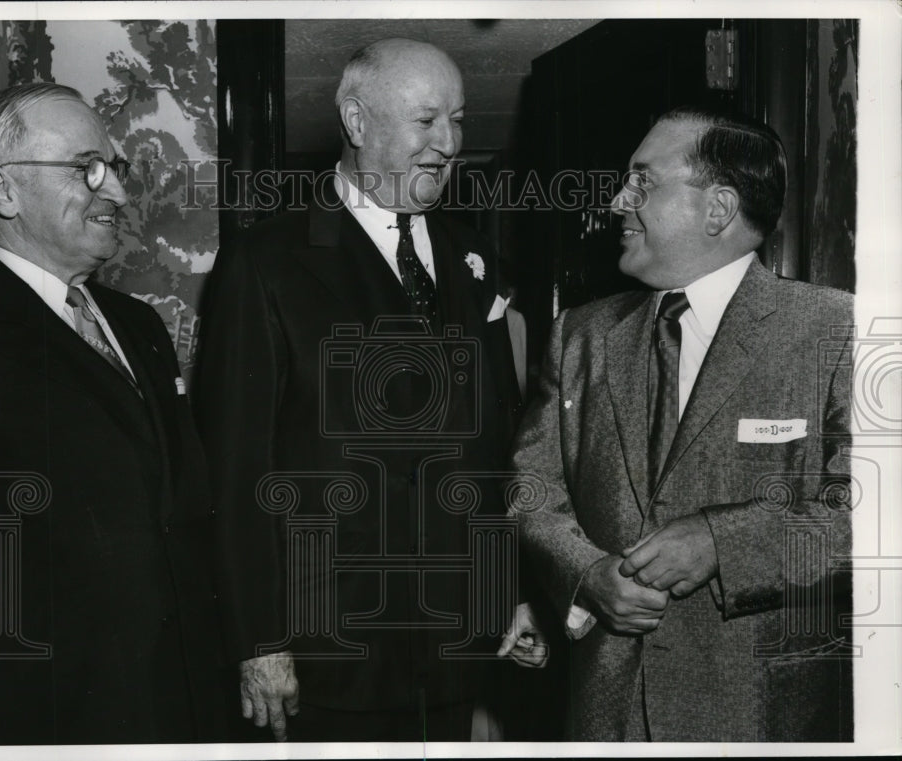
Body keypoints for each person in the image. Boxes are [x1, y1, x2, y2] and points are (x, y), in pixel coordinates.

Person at [195, 38, 525, 742]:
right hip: (328, 649)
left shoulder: (476, 258)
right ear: (356, 119)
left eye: (458, 121)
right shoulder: (267, 261)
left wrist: (510, 594)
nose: (449, 143)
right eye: (427, 120)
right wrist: (260, 640)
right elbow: (234, 467)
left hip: (455, 643)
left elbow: (497, 450)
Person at [509, 106, 853, 741]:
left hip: (760, 719)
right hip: (604, 712)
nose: (617, 200)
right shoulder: (580, 336)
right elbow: (531, 490)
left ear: (717, 208)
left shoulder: (834, 331)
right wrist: (583, 572)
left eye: (643, 181)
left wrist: (722, 542)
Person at [0, 83, 227, 745]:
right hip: (62, 718)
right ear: (2, 191)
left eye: (115, 169)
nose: (118, 193)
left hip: (187, 703)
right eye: (86, 168)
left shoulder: (137, 324)